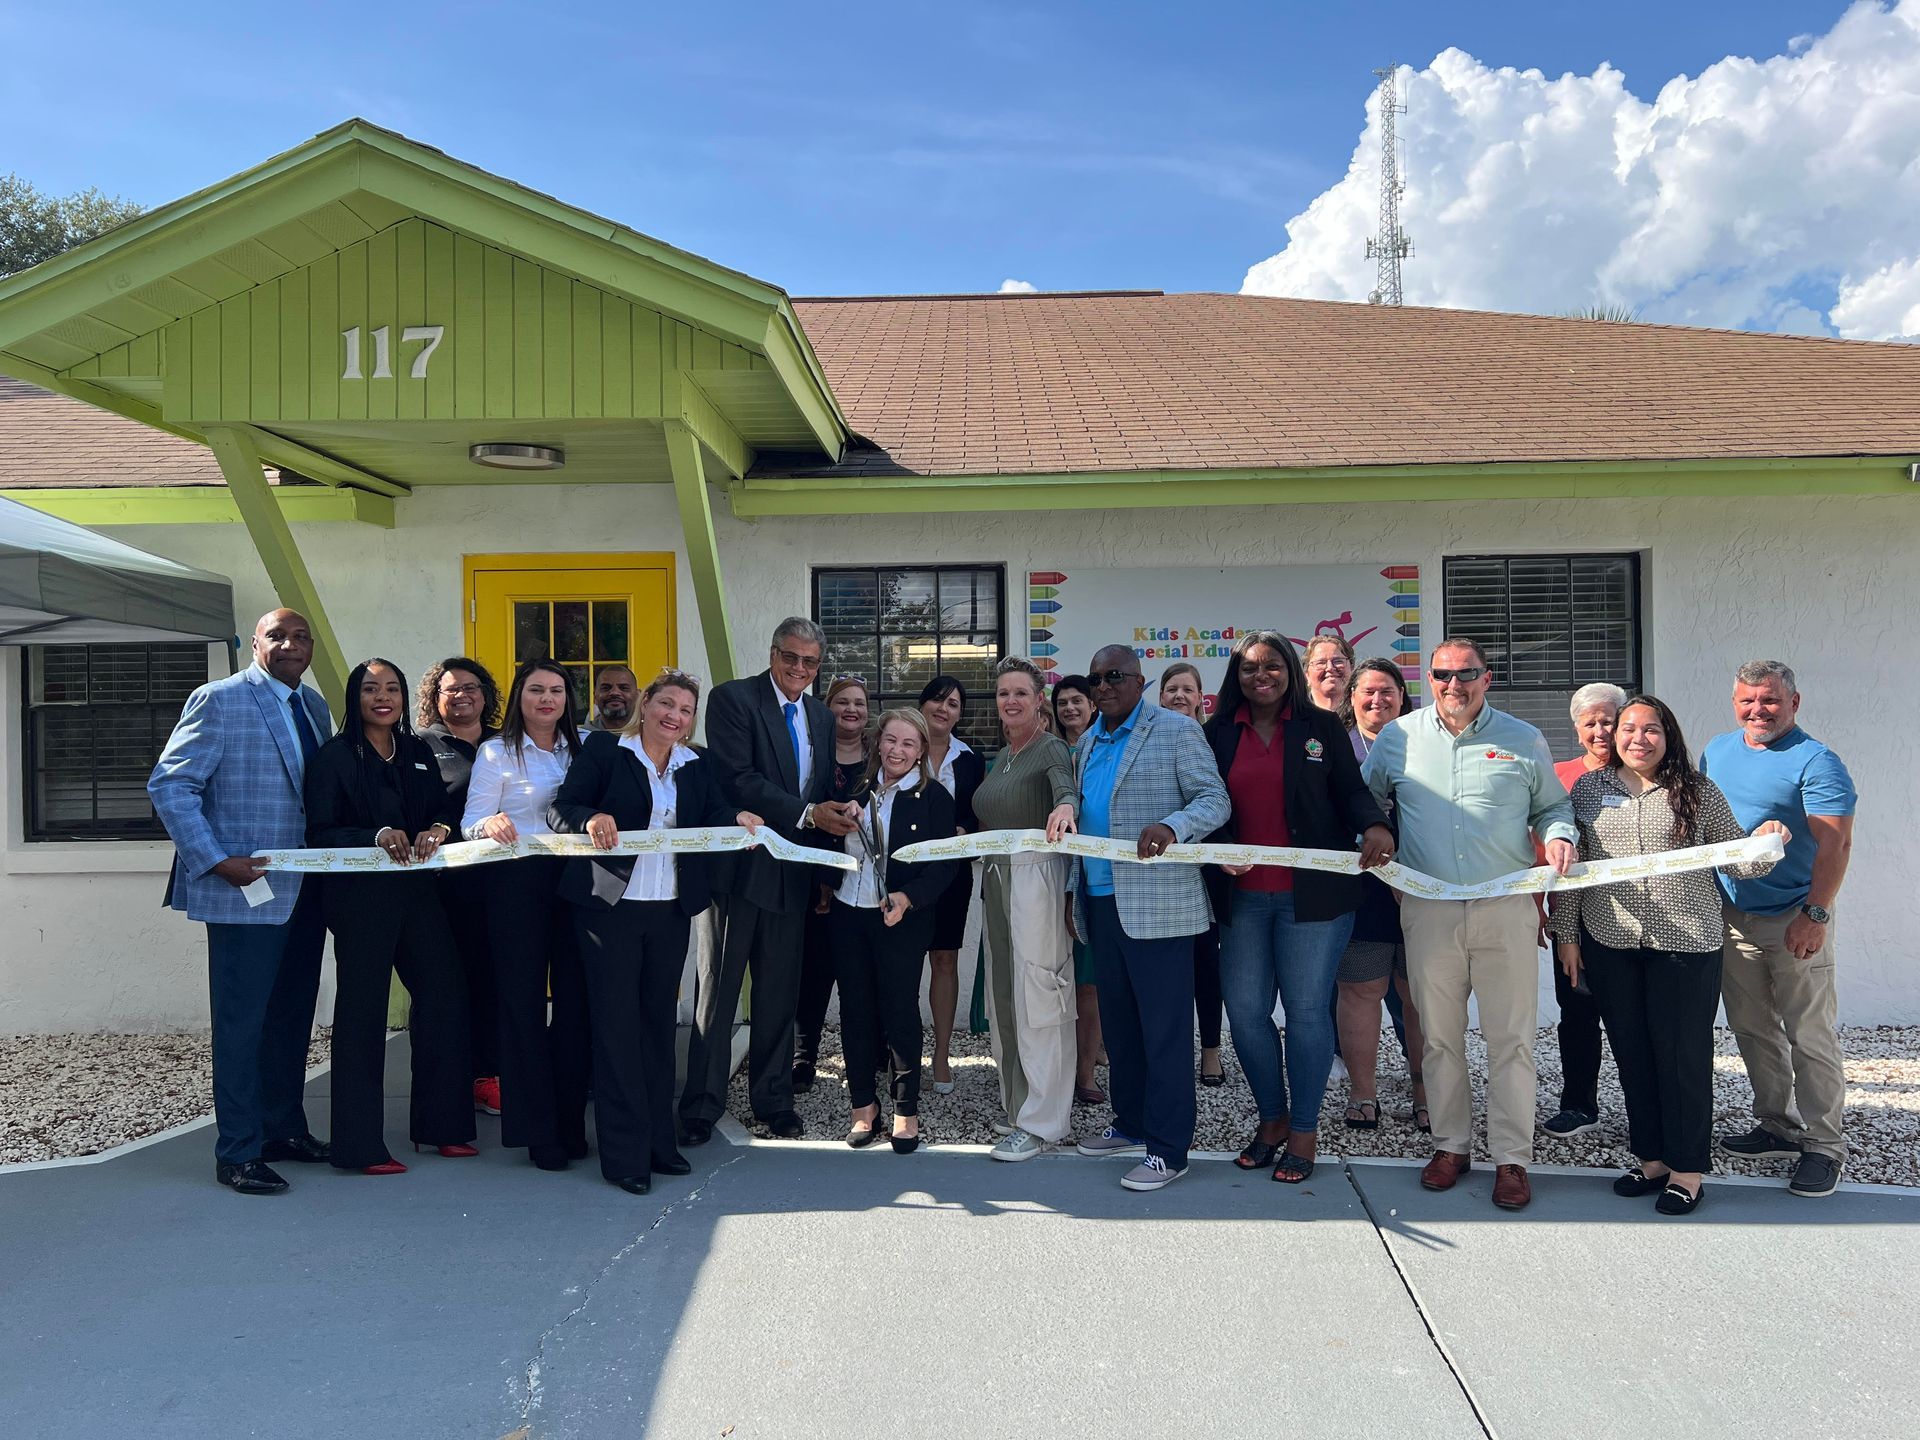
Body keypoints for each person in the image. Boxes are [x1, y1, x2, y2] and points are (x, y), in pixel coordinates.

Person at [1551, 695, 1789, 1216]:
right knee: (1632, 1053)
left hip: (1685, 944)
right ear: (1613, 737)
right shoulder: (1589, 790)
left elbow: (1738, 862)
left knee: (1681, 1057)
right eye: (1628, 729)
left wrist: (1767, 841)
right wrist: (1567, 936)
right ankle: (1652, 1157)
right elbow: (1574, 869)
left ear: (1668, 736)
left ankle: (1686, 1169)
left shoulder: (1697, 792)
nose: (1638, 739)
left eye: (1651, 729)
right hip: (1610, 942)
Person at [1364, 637, 1577, 1212]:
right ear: (1428, 679)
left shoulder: (1522, 737)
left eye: (1466, 675)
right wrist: (1374, 832)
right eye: (1441, 675)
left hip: (1504, 907)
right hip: (1429, 909)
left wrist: (1559, 836)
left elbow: (1552, 807)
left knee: (1511, 1039)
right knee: (1438, 1036)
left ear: (1488, 679)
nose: (1453, 685)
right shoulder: (1397, 739)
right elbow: (1363, 802)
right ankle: (1451, 1147)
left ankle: (1512, 1159)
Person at [550, 668, 763, 1195]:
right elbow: (561, 810)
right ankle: (624, 1157)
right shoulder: (604, 751)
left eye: (685, 710)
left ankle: (657, 1144)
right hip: (608, 911)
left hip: (669, 911)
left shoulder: (697, 764)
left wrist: (739, 819)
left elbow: (714, 815)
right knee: (617, 1030)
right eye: (666, 703)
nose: (675, 715)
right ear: (646, 705)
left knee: (656, 1029)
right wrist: (591, 819)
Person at [148, 609, 334, 1196]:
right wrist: (214, 858)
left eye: (300, 637)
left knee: (290, 1018)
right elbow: (171, 785)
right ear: (254, 643)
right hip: (242, 889)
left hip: (304, 889)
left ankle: (283, 1130)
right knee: (241, 1025)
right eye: (276, 635)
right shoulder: (218, 699)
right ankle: (237, 1153)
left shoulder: (313, 708)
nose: (290, 645)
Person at [1204, 632, 1392, 1184]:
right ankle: (1273, 1118)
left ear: (1291, 670)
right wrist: (1211, 852)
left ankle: (1304, 1128)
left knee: (1308, 1012)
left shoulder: (1321, 729)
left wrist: (1374, 824)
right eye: (1248, 668)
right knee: (1244, 1013)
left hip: (1313, 900)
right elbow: (1202, 802)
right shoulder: (1215, 733)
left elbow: (1351, 793)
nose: (1260, 677)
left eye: (1272, 667)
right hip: (1242, 899)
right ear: (1235, 676)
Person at [682, 618, 857, 1143]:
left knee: (780, 993)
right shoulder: (734, 699)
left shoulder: (822, 717)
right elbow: (738, 778)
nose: (798, 668)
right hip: (739, 871)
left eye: (810, 662)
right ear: (773, 651)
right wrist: (807, 816)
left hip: (793, 874)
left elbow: (821, 786)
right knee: (719, 990)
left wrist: (824, 851)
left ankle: (774, 1100)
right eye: (790, 656)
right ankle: (701, 1105)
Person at [1068, 645, 1231, 1192]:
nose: (1104, 685)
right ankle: (1131, 1124)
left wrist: (1173, 826)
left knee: (1163, 1031)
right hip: (1100, 899)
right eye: (1096, 678)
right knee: (1120, 1025)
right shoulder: (1089, 739)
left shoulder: (1176, 730)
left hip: (1159, 906)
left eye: (1115, 676)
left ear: (1140, 680)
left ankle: (1168, 1149)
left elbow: (1215, 799)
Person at [304, 658, 475, 1175]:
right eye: (371, 688)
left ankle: (442, 1128)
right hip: (360, 901)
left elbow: (440, 811)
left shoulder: (417, 751)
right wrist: (374, 836)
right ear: (354, 696)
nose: (384, 697)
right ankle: (359, 1147)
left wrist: (441, 829)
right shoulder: (333, 757)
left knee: (445, 998)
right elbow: (319, 832)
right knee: (363, 1013)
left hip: (418, 895)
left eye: (393, 688)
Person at [1702, 659, 1857, 1198]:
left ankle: (1824, 1146)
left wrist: (1815, 914)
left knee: (1809, 1035)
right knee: (1752, 1029)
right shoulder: (1718, 751)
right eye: (1747, 700)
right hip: (1733, 915)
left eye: (1768, 700)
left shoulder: (1817, 762)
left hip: (1794, 917)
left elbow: (1836, 843)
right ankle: (1776, 1125)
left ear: (1794, 702)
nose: (1757, 710)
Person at [463, 659, 588, 1171]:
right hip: (517, 887)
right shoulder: (496, 752)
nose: (546, 699)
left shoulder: (584, 749)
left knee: (577, 1007)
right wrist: (488, 823)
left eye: (556, 690)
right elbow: (470, 821)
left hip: (576, 884)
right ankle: (538, 1132)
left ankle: (569, 1122)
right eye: (536, 689)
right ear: (519, 697)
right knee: (523, 1008)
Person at [831, 709, 959, 1153]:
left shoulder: (935, 798)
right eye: (891, 740)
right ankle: (862, 1107)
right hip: (850, 912)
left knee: (899, 1011)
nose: (897, 750)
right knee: (856, 1011)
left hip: (900, 918)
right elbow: (838, 846)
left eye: (908, 744)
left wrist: (909, 899)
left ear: (922, 750)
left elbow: (943, 867)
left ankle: (906, 1111)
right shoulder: (858, 791)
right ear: (877, 743)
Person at [975, 658, 1079, 1160]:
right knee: (1005, 996)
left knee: (1040, 995)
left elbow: (1065, 789)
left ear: (1040, 700)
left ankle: (1045, 1123)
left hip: (1036, 876)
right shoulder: (1004, 756)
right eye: (1002, 694)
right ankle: (1019, 1104)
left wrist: (1065, 807)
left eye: (1020, 693)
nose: (1010, 701)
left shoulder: (1050, 747)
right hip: (996, 878)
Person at [1337, 658, 1429, 1134]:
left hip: (1423, 888)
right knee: (1362, 990)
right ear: (1351, 700)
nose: (1378, 700)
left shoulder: (1427, 743)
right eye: (1368, 692)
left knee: (1420, 994)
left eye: (1388, 691)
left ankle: (1426, 1092)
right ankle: (1363, 1093)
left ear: (1402, 695)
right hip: (1361, 890)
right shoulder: (1336, 747)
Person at [1538, 683, 1627, 1141]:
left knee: (1632, 1019)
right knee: (1576, 1013)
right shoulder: (1558, 776)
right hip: (1572, 922)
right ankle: (1578, 1105)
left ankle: (1645, 1111)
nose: (1601, 731)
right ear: (1577, 730)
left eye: (1609, 720)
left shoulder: (1645, 775)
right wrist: (1538, 908)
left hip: (1631, 921)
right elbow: (1535, 848)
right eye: (1590, 723)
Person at [417, 656, 505, 1117]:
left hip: (505, 884)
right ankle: (454, 1078)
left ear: (486, 695)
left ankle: (490, 1074)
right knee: (450, 985)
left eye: (472, 687)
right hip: (446, 887)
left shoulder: (509, 742)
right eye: (450, 689)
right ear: (435, 698)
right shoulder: (419, 744)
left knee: (496, 981)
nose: (462, 695)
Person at [794, 674, 873, 1093]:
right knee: (815, 970)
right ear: (827, 708)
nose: (851, 709)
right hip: (815, 879)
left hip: (866, 883)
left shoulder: (879, 756)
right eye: (842, 702)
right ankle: (804, 1056)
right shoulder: (813, 753)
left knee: (863, 971)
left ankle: (870, 1053)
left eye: (859, 702)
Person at [1159, 663, 1224, 1088]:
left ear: (1202, 697)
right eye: (1171, 689)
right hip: (1163, 873)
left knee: (1207, 962)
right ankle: (1173, 1049)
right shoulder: (1152, 739)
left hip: (1212, 870)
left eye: (1187, 689)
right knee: (1170, 968)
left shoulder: (1216, 738)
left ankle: (1212, 1050)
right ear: (1160, 698)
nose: (1179, 696)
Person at [920, 675, 986, 1094]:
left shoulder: (971, 759)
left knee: (944, 961)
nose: (944, 709)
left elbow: (978, 811)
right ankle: (901, 1054)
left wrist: (966, 830)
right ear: (923, 704)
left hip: (951, 875)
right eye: (938, 700)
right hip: (903, 873)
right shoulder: (900, 746)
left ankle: (941, 1056)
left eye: (954, 704)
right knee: (901, 965)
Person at [1051, 673, 1105, 1104]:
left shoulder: (1106, 750)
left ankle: (1084, 1075)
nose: (1070, 708)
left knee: (1089, 983)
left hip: (1092, 877)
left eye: (1077, 701)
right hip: (1050, 876)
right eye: (1062, 702)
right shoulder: (1048, 752)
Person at [1302, 635, 1356, 716]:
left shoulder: (1364, 718)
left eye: (1338, 661)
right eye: (1320, 662)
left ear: (1352, 668)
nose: (1330, 668)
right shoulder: (1294, 719)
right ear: (1307, 675)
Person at [590, 665, 638, 733]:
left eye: (623, 688)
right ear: (595, 696)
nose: (614, 692)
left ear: (638, 696)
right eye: (606, 688)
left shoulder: (650, 736)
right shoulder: (580, 739)